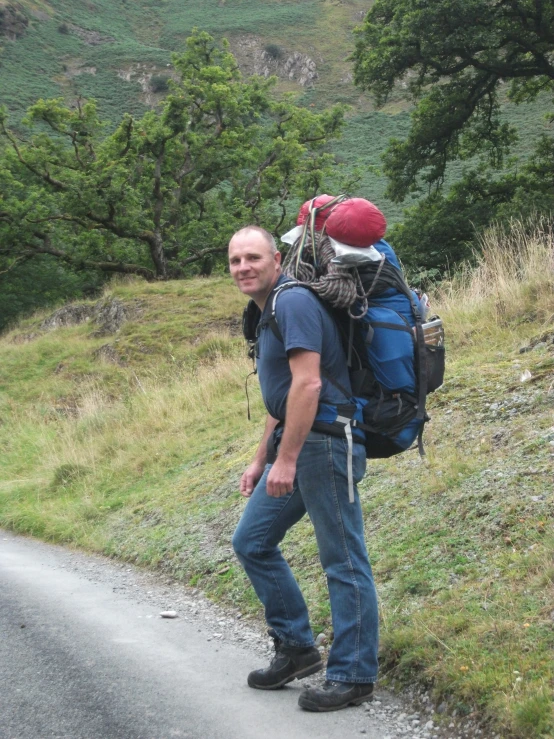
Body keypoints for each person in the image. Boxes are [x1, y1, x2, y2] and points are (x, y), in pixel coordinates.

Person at [228, 225, 379, 712]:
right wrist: (261, 458)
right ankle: (296, 648)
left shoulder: (291, 302)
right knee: (251, 541)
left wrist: (286, 458)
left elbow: (309, 386)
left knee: (343, 559)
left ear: (276, 259)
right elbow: (281, 391)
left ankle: (354, 673)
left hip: (326, 443)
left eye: (253, 257)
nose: (244, 267)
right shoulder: (266, 309)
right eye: (235, 261)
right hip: (299, 442)